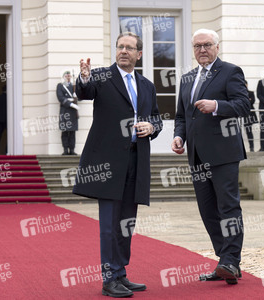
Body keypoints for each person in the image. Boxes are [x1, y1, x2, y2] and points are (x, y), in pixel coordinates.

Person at [73, 32, 162, 298]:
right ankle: (109, 278)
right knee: (110, 224)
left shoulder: (146, 85)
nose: (123, 51)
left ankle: (121, 273)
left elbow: (156, 118)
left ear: (139, 54)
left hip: (136, 159)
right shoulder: (101, 77)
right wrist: (85, 77)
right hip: (108, 163)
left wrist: (152, 126)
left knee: (127, 222)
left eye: (129, 48)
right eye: (120, 47)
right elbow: (85, 91)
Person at [172, 28, 250, 285]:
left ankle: (231, 260)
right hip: (196, 155)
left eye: (207, 45)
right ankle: (224, 261)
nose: (202, 50)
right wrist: (179, 136)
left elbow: (243, 105)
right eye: (197, 46)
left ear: (217, 47)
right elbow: (182, 115)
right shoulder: (187, 78)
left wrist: (216, 106)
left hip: (224, 152)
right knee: (207, 210)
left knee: (228, 207)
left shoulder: (230, 71)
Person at [57, 70, 79, 155]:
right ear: (64, 77)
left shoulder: (74, 86)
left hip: (73, 112)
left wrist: (77, 96)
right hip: (65, 110)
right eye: (66, 76)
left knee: (72, 132)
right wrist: (70, 104)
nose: (68, 77)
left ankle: (72, 149)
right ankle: (65, 149)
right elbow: (60, 97)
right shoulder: (60, 86)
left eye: (69, 76)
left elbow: (80, 96)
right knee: (65, 131)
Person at [243, 81, 258, 152]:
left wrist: (245, 101)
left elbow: (252, 102)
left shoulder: (251, 93)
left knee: (249, 131)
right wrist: (247, 100)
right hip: (242, 114)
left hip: (250, 114)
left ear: (247, 85)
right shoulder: (240, 93)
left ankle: (251, 147)